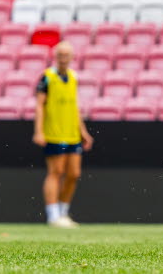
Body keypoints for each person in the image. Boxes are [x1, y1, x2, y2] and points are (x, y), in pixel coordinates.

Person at [33, 41, 93, 228]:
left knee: (74, 173)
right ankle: (52, 215)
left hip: (71, 132)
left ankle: (63, 212)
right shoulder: (47, 77)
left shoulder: (73, 77)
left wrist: (82, 130)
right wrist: (39, 131)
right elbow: (39, 105)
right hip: (54, 132)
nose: (63, 59)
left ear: (72, 57)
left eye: (66, 55)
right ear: (55, 57)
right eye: (60, 55)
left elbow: (74, 106)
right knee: (56, 171)